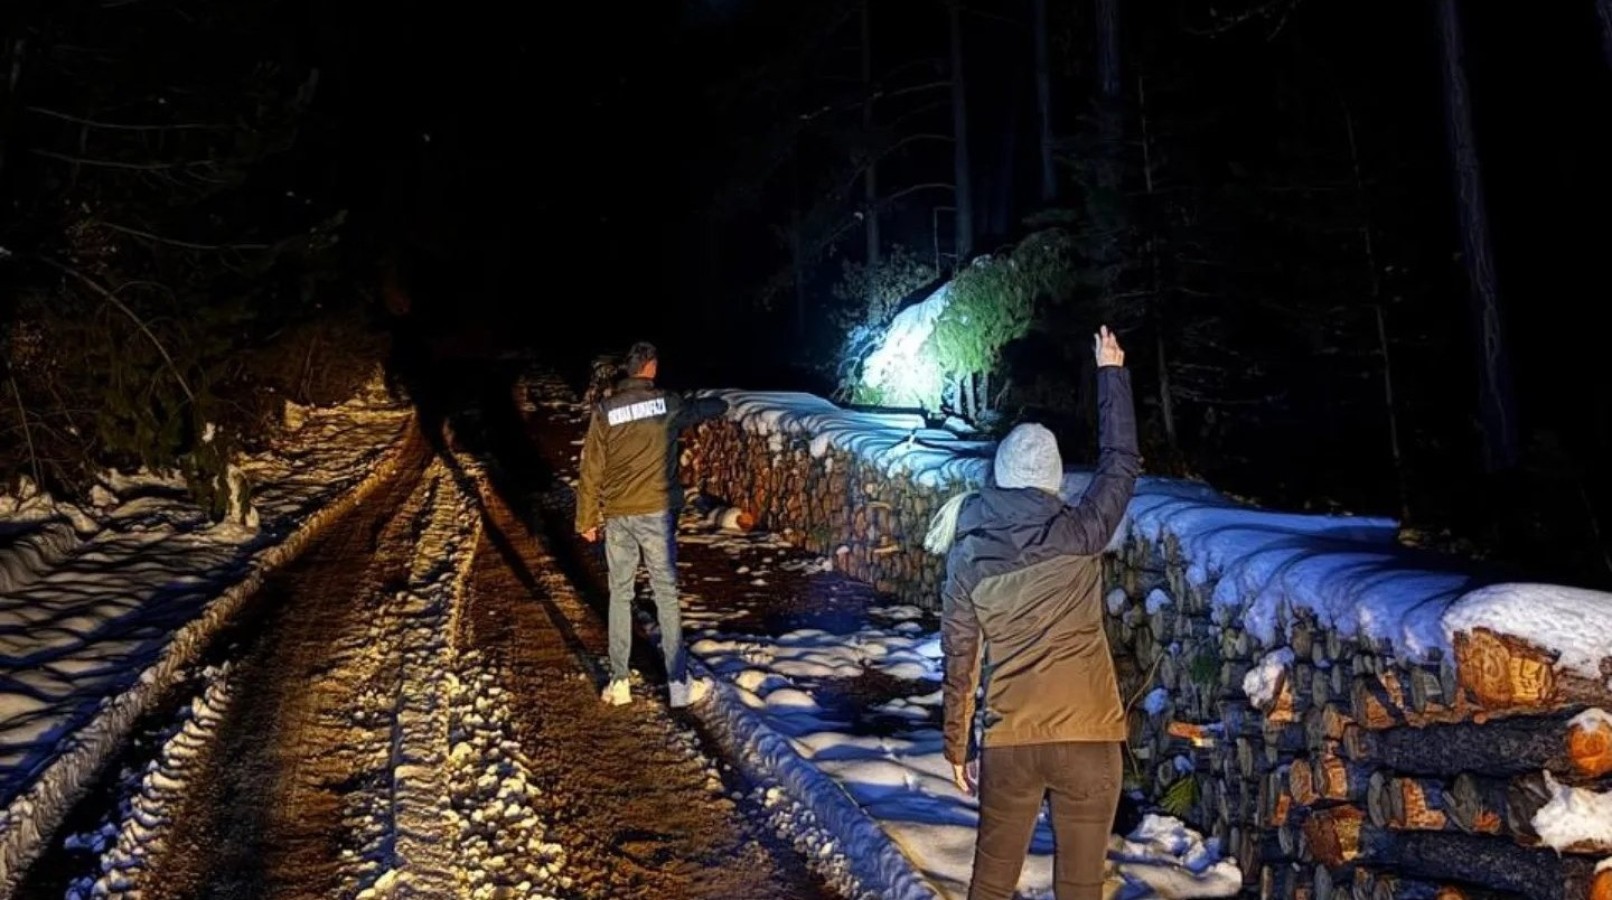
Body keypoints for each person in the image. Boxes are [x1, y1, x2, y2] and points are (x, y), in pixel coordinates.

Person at [932, 325, 1140, 900]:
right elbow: (1120, 465)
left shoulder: (969, 554)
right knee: (1079, 890)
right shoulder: (1079, 531)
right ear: (1050, 481)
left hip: (1011, 745)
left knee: (991, 888)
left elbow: (960, 659)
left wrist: (956, 745)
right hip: (1089, 741)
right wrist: (1111, 376)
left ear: (1000, 476)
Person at [576, 341, 727, 708]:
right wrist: (721, 403)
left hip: (617, 514)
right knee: (665, 593)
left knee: (620, 594)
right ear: (651, 367)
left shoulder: (606, 410)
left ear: (629, 369)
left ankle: (619, 682)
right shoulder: (666, 403)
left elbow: (591, 467)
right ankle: (678, 684)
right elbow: (700, 410)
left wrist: (586, 518)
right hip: (657, 513)